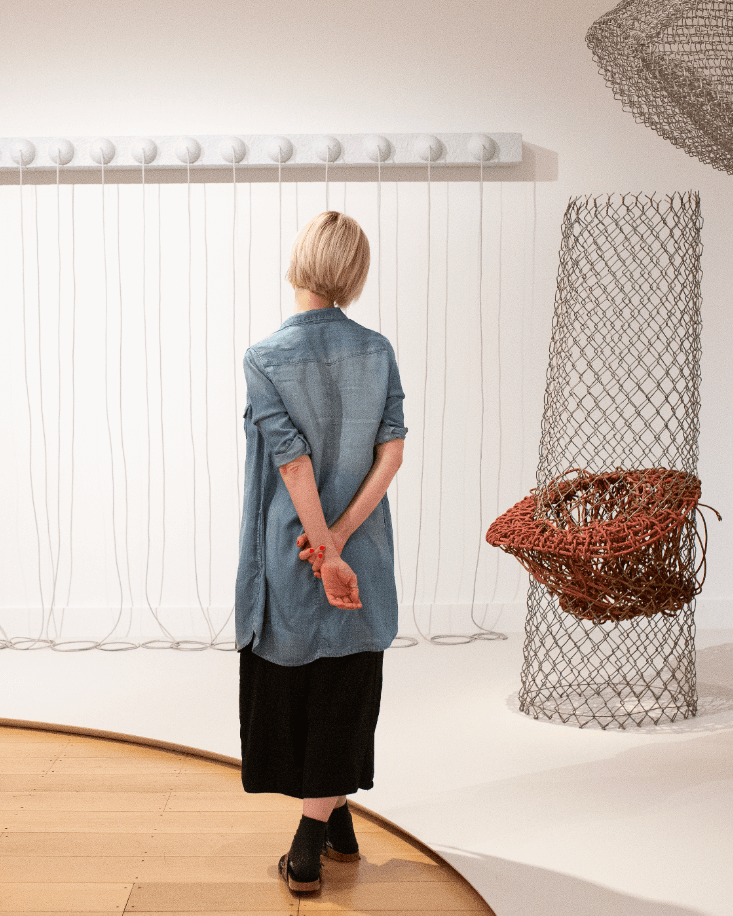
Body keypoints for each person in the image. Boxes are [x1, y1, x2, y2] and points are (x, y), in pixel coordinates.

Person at [235, 210, 406, 896]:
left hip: (292, 549)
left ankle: (306, 848)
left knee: (299, 686)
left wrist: (320, 547)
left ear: (300, 261)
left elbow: (293, 462)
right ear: (355, 273)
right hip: (361, 547)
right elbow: (391, 455)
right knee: (346, 685)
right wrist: (341, 542)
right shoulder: (378, 351)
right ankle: (338, 824)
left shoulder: (265, 356)